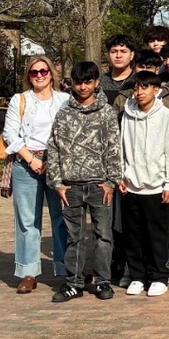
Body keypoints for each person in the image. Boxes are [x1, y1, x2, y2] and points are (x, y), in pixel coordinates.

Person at [46, 60, 122, 303]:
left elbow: (113, 147)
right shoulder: (64, 112)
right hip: (71, 185)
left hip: (100, 185)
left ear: (97, 83)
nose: (83, 87)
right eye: (78, 82)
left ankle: (102, 282)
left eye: (88, 82)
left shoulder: (107, 112)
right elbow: (54, 148)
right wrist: (57, 183)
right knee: (74, 237)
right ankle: (74, 283)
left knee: (103, 235)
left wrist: (111, 181)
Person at [3, 57, 70, 293]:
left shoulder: (65, 100)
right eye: (34, 72)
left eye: (44, 71)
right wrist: (31, 159)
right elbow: (10, 133)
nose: (39, 75)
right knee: (27, 220)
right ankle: (28, 271)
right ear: (28, 76)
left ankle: (66, 268)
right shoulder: (19, 100)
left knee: (62, 216)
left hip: (57, 163)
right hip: (26, 162)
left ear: (52, 73)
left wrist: (51, 160)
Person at [118, 71, 169, 297]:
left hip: (156, 185)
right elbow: (122, 147)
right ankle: (136, 276)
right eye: (136, 88)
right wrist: (120, 176)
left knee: (157, 234)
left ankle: (158, 276)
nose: (139, 92)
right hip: (131, 184)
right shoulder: (127, 113)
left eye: (145, 87)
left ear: (156, 90)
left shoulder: (164, 115)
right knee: (133, 234)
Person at [100, 34, 136, 104]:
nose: (118, 56)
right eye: (113, 52)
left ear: (131, 55)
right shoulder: (100, 82)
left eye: (123, 51)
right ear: (108, 55)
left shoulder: (138, 81)